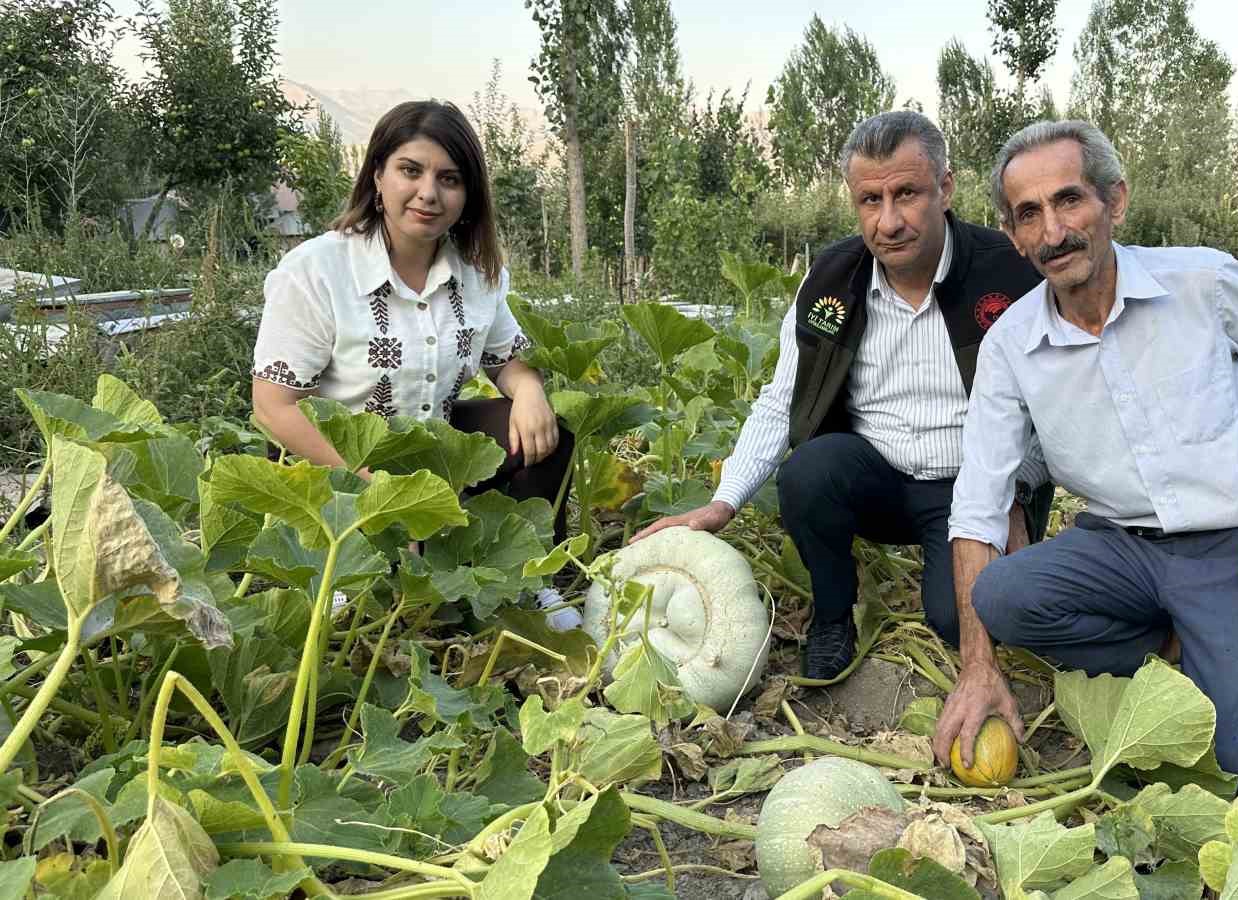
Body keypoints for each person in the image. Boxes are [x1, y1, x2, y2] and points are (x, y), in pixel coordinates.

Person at [932, 120, 1238, 788]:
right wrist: (977, 669)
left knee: (1234, 764)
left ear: (1115, 202)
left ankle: (1223, 644)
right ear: (1014, 235)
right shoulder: (1010, 346)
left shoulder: (1201, 284)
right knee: (1003, 594)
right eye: (1028, 214)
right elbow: (977, 507)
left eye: (1069, 200)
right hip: (1120, 549)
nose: (1053, 232)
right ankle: (1173, 644)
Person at [631, 111, 1049, 680]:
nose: (889, 221)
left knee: (961, 621)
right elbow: (781, 400)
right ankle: (832, 615)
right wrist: (723, 501)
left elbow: (1057, 402)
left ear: (946, 189)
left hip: (972, 486)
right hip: (872, 476)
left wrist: (1016, 491)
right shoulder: (830, 279)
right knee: (808, 472)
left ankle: (959, 576)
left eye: (907, 194)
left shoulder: (1010, 273)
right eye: (870, 201)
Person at [251, 101, 572, 531]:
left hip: (426, 446)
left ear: (468, 194)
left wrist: (530, 391)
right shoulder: (316, 270)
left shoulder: (479, 274)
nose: (428, 193)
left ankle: (528, 571)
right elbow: (275, 407)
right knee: (385, 584)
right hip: (327, 461)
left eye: (449, 179)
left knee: (551, 436)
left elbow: (506, 360)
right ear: (377, 175)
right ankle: (356, 577)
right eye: (410, 170)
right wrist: (379, 492)